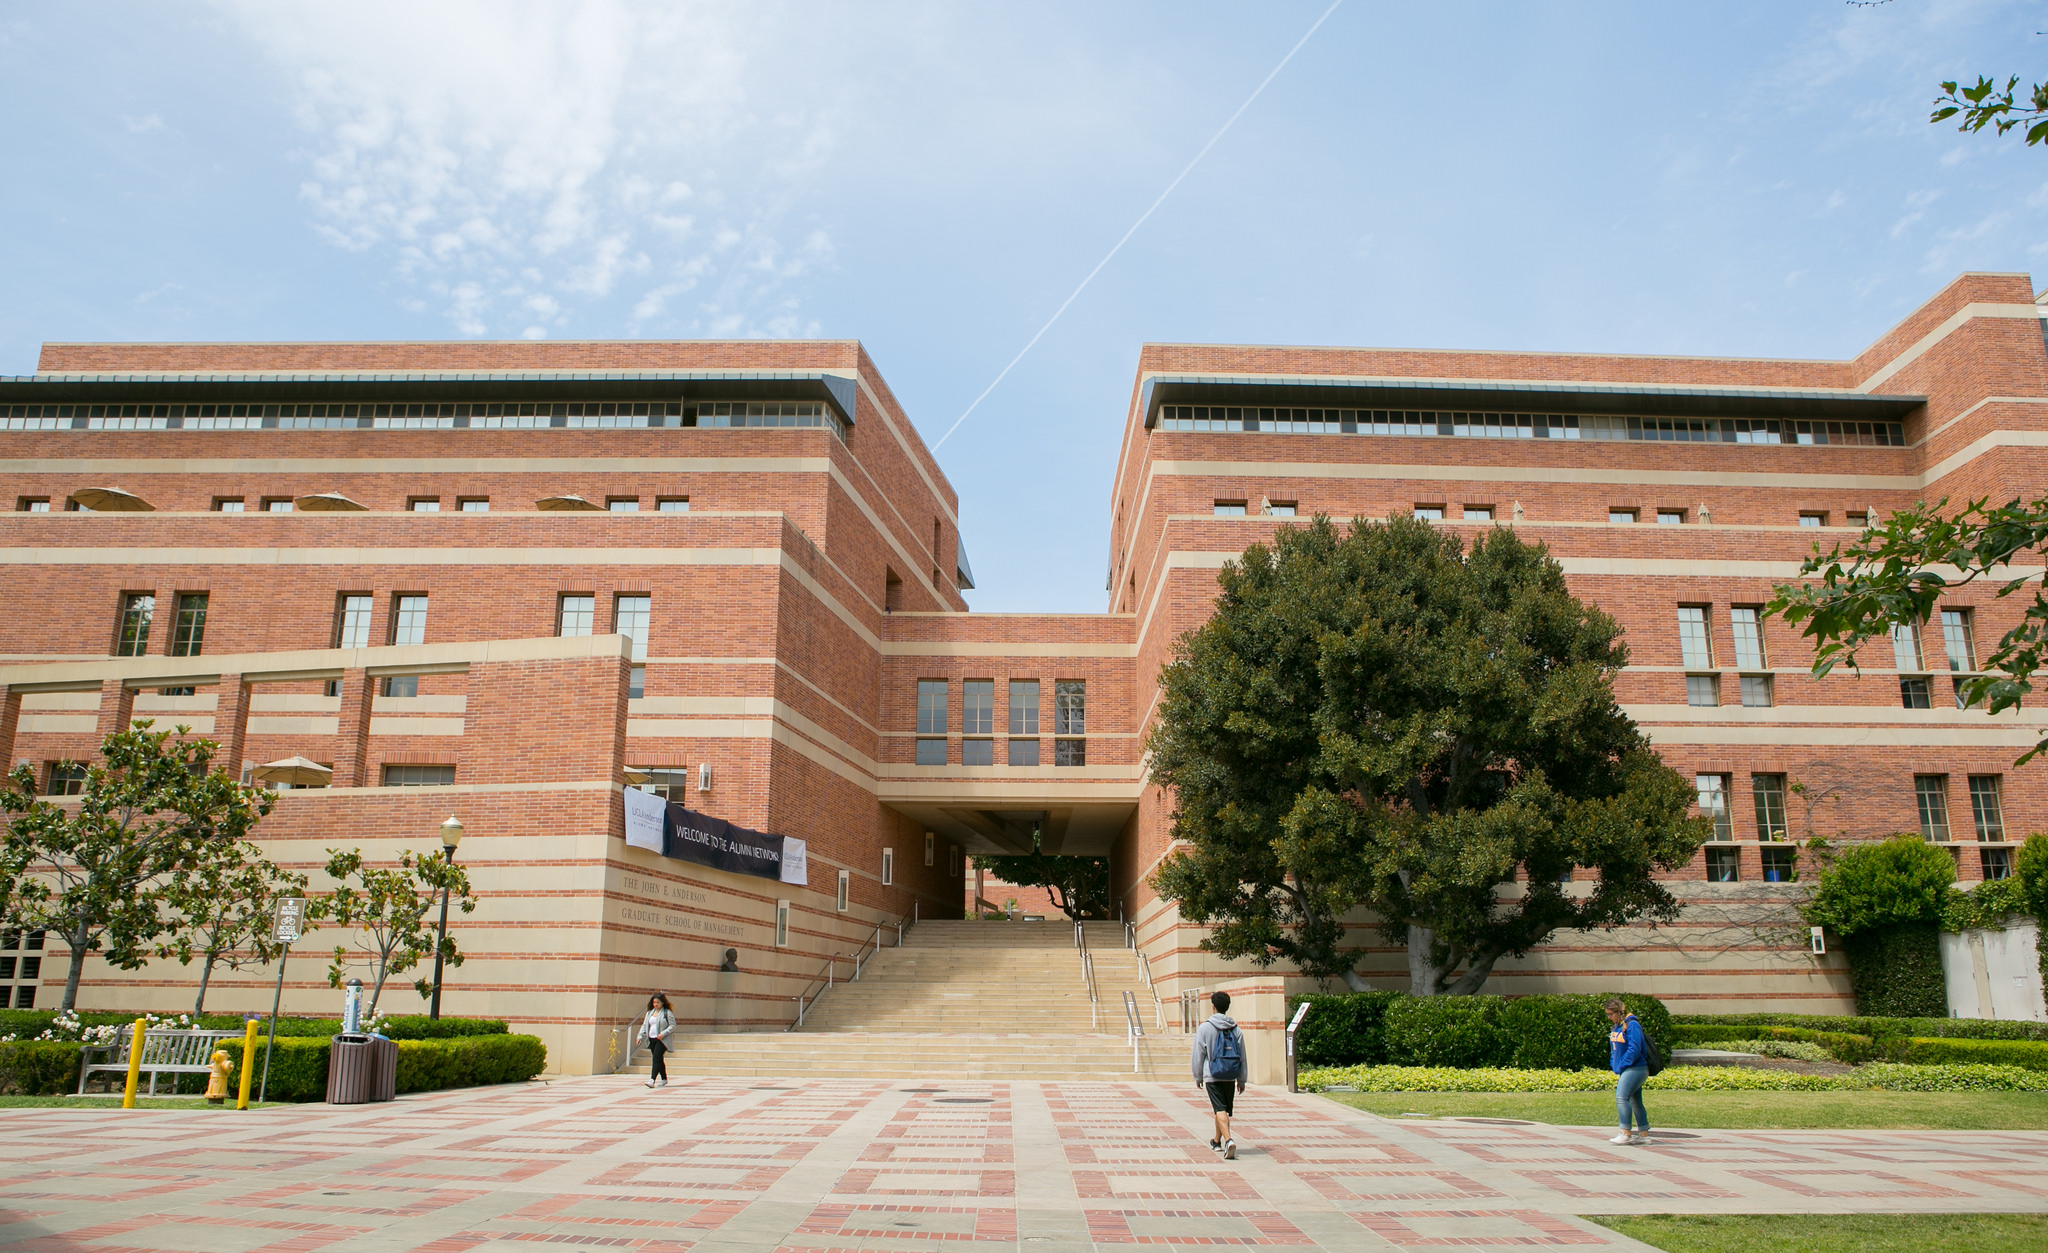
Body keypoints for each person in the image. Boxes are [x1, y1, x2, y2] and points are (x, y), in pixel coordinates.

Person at [1190, 990, 1247, 1159]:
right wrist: (1242, 1079)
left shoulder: (1205, 1027)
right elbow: (1243, 1056)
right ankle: (1216, 1141)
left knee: (1220, 1109)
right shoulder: (1236, 1029)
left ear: (1213, 1006)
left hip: (1213, 1075)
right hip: (1230, 1074)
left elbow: (1198, 1054)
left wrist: (1198, 1076)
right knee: (1221, 1109)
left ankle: (1229, 1140)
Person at [1605, 997, 1650, 1145]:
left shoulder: (1632, 1025)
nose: (1610, 1018)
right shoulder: (1617, 1027)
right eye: (1608, 1015)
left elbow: (1634, 1048)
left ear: (1619, 1012)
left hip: (1636, 1068)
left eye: (1611, 1014)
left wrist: (1623, 1064)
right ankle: (1644, 1134)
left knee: (1621, 1097)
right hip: (1626, 1068)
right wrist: (1615, 1064)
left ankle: (1625, 1132)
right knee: (1635, 1101)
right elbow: (1615, 1049)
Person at [638, 992, 676, 1088]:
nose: (656, 1004)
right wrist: (640, 1036)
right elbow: (644, 1025)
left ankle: (652, 1080)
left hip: (662, 1040)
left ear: (662, 1002)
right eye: (654, 1002)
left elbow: (672, 1025)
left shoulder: (666, 1012)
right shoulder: (649, 1013)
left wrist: (663, 1034)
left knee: (656, 1058)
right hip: (652, 1039)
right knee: (659, 1059)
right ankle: (664, 1079)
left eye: (658, 1002)